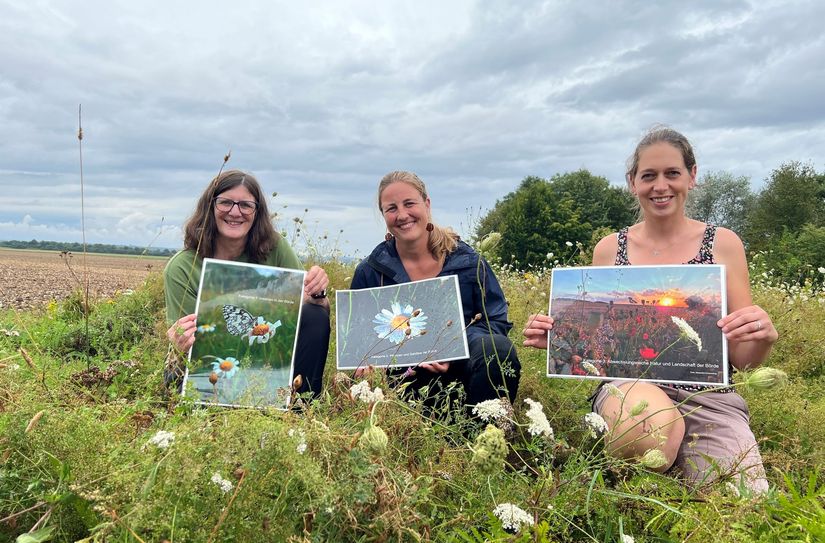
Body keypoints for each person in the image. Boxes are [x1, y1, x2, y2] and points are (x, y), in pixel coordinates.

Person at [523, 127, 778, 492]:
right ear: (632, 183)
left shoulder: (723, 244)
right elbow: (600, 351)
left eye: (672, 173)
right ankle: (646, 474)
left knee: (745, 500)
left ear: (692, 175)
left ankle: (679, 466)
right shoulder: (610, 249)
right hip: (630, 389)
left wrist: (760, 337)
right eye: (649, 176)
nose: (661, 185)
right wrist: (559, 340)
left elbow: (743, 360)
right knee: (645, 431)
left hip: (708, 399)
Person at [350, 171, 521, 416]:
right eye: (391, 208)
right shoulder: (370, 271)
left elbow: (495, 321)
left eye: (409, 203)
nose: (402, 215)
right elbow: (358, 340)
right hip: (399, 381)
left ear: (427, 204)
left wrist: (452, 346)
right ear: (383, 215)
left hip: (461, 374)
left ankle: (484, 436)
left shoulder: (469, 262)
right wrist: (371, 365)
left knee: (498, 350)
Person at [164, 169, 330, 398]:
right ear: (210, 207)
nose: (235, 212)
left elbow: (314, 306)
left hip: (264, 353)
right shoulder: (182, 267)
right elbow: (189, 342)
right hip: (210, 362)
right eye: (225, 203)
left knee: (315, 316)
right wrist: (178, 341)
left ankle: (301, 408)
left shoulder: (276, 248)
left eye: (245, 205)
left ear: (256, 212)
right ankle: (206, 410)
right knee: (173, 376)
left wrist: (317, 292)